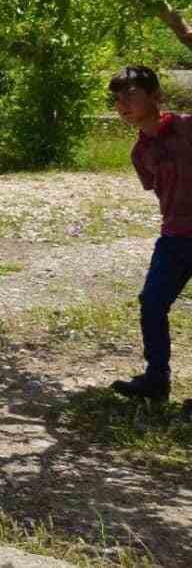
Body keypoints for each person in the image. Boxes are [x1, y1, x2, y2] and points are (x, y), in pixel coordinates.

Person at [107, 65, 192, 413]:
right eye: (117, 98)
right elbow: (159, 191)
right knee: (152, 304)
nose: (123, 104)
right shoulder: (138, 153)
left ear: (155, 96)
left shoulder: (188, 127)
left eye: (131, 94)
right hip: (174, 238)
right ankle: (157, 380)